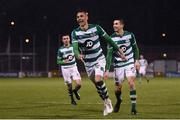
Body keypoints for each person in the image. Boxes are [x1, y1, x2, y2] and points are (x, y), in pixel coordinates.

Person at [71, 10, 125, 116]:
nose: (79, 18)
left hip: (99, 59)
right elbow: (75, 48)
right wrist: (78, 55)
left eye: (81, 16)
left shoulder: (96, 28)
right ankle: (106, 102)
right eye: (77, 17)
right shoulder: (75, 33)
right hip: (88, 63)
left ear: (87, 17)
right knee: (97, 86)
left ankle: (108, 102)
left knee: (98, 79)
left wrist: (119, 50)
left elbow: (109, 40)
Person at [104, 19, 140, 115]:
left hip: (129, 62)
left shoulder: (130, 35)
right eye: (113, 24)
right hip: (118, 65)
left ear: (122, 25)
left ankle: (133, 108)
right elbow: (109, 55)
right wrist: (107, 69)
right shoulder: (111, 38)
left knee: (131, 83)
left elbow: (135, 48)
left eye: (116, 24)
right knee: (118, 88)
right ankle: (119, 100)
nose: (114, 25)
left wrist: (136, 60)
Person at [57, 34, 82, 105]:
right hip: (65, 69)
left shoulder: (73, 47)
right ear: (62, 40)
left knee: (79, 84)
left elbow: (77, 54)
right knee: (69, 85)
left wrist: (80, 56)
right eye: (64, 39)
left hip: (73, 67)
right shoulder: (60, 50)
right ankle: (72, 100)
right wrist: (63, 61)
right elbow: (58, 61)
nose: (66, 40)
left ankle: (75, 91)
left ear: (69, 39)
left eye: (67, 38)